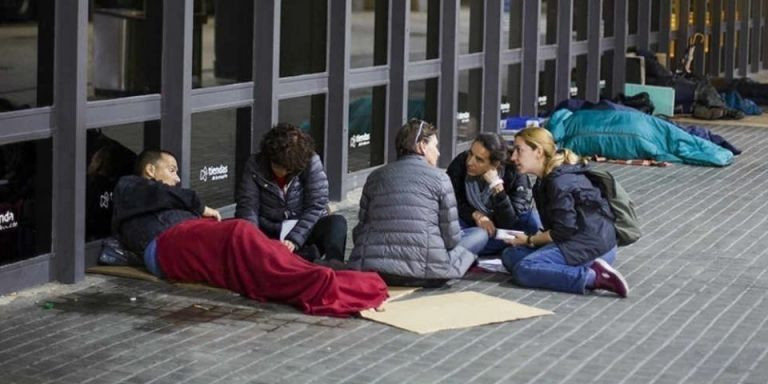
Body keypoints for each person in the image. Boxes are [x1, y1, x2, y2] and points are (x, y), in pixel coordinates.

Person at [111, 149, 388, 317]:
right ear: (150, 169)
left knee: (251, 251)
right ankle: (318, 279)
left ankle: (316, 271)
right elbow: (160, 194)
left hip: (186, 237)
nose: (177, 177)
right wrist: (200, 206)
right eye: (171, 170)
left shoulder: (160, 197)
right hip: (168, 242)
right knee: (240, 234)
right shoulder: (130, 186)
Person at [501, 127, 629, 297]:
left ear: (538, 151)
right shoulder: (547, 178)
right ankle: (564, 269)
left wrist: (530, 240)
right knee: (511, 256)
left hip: (592, 246)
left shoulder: (559, 181)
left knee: (524, 269)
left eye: (519, 150)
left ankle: (594, 277)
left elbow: (563, 230)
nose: (513, 157)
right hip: (584, 242)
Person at [347, 119, 477, 287]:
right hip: (425, 273)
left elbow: (360, 230)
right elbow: (450, 239)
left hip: (372, 270)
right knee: (477, 235)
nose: (438, 153)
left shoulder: (375, 176)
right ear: (422, 145)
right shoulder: (440, 178)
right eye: (434, 146)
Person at [236, 123, 346, 262]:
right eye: (277, 166)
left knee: (337, 223)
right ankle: (299, 258)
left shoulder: (311, 161)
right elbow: (248, 206)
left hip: (304, 231)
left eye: (287, 169)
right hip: (270, 231)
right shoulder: (255, 165)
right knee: (238, 227)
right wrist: (254, 241)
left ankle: (334, 265)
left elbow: (316, 206)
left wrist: (294, 239)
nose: (282, 172)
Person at [446, 132, 539, 256]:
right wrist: (475, 214)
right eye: (471, 154)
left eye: (479, 160)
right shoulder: (461, 162)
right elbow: (452, 200)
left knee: (530, 222)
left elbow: (509, 223)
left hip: (502, 229)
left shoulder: (515, 173)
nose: (470, 162)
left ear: (495, 164)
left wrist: (497, 187)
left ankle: (470, 247)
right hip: (470, 223)